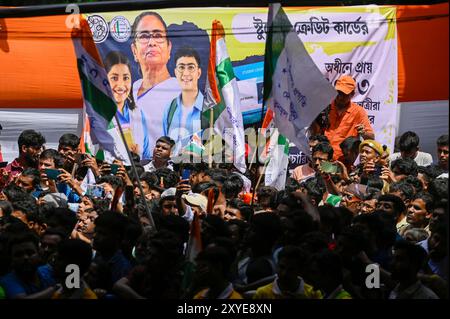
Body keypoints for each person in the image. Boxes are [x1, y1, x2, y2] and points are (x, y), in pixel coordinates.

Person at [130, 11, 181, 159]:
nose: (151, 42)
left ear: (169, 48)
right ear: (134, 50)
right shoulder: (129, 89)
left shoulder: (182, 92)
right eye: (144, 36)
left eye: (158, 36)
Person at [312, 75, 374, 162]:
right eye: (338, 92)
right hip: (323, 159)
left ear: (352, 94)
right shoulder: (325, 107)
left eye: (344, 94)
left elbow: (371, 138)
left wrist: (363, 133)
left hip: (344, 164)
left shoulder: (358, 112)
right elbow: (315, 134)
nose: (340, 97)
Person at [105, 51, 150, 160]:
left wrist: (137, 154)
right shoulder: (98, 113)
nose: (120, 85)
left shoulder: (137, 113)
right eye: (114, 78)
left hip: (135, 171)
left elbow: (146, 153)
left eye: (126, 78)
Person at [162, 46, 203, 154]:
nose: (185, 73)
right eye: (181, 67)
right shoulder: (170, 108)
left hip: (199, 169)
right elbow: (165, 143)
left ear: (198, 73)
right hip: (172, 169)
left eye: (190, 67)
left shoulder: (209, 108)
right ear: (175, 72)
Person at [253, 246, 322, 299]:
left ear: (300, 271)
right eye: (282, 267)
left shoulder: (313, 294)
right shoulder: (262, 294)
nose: (284, 273)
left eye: (291, 269)